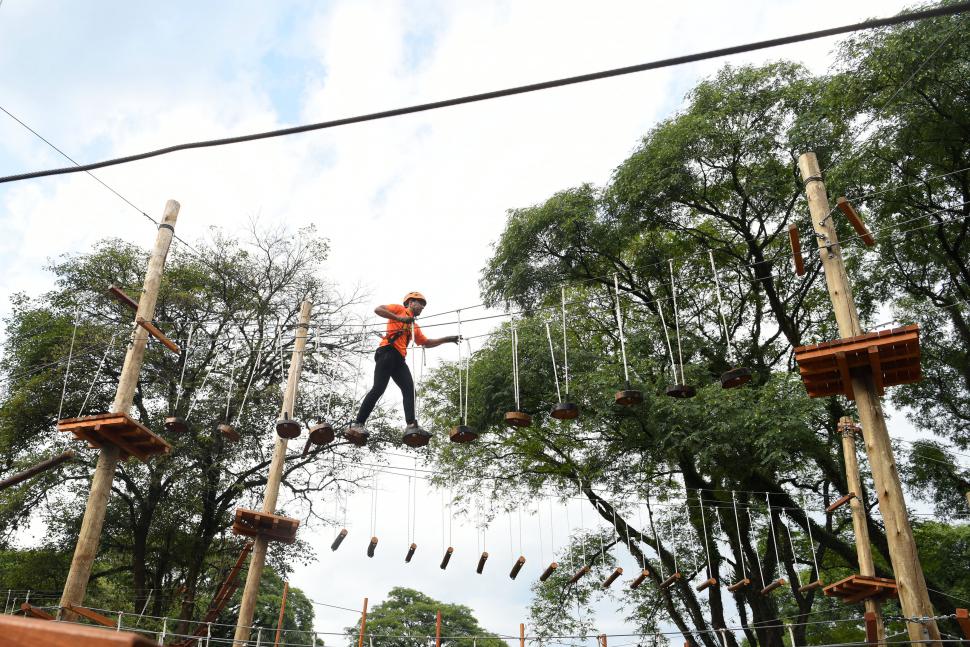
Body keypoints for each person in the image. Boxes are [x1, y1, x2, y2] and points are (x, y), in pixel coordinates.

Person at [346, 291, 459, 446]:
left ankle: (411, 425)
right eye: (420, 304)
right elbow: (378, 309)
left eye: (423, 306)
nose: (422, 308)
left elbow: (425, 342)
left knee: (409, 390)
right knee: (378, 388)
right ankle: (358, 423)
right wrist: (399, 318)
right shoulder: (399, 309)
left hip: (399, 359)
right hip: (387, 352)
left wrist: (447, 339)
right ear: (410, 302)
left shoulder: (414, 326)